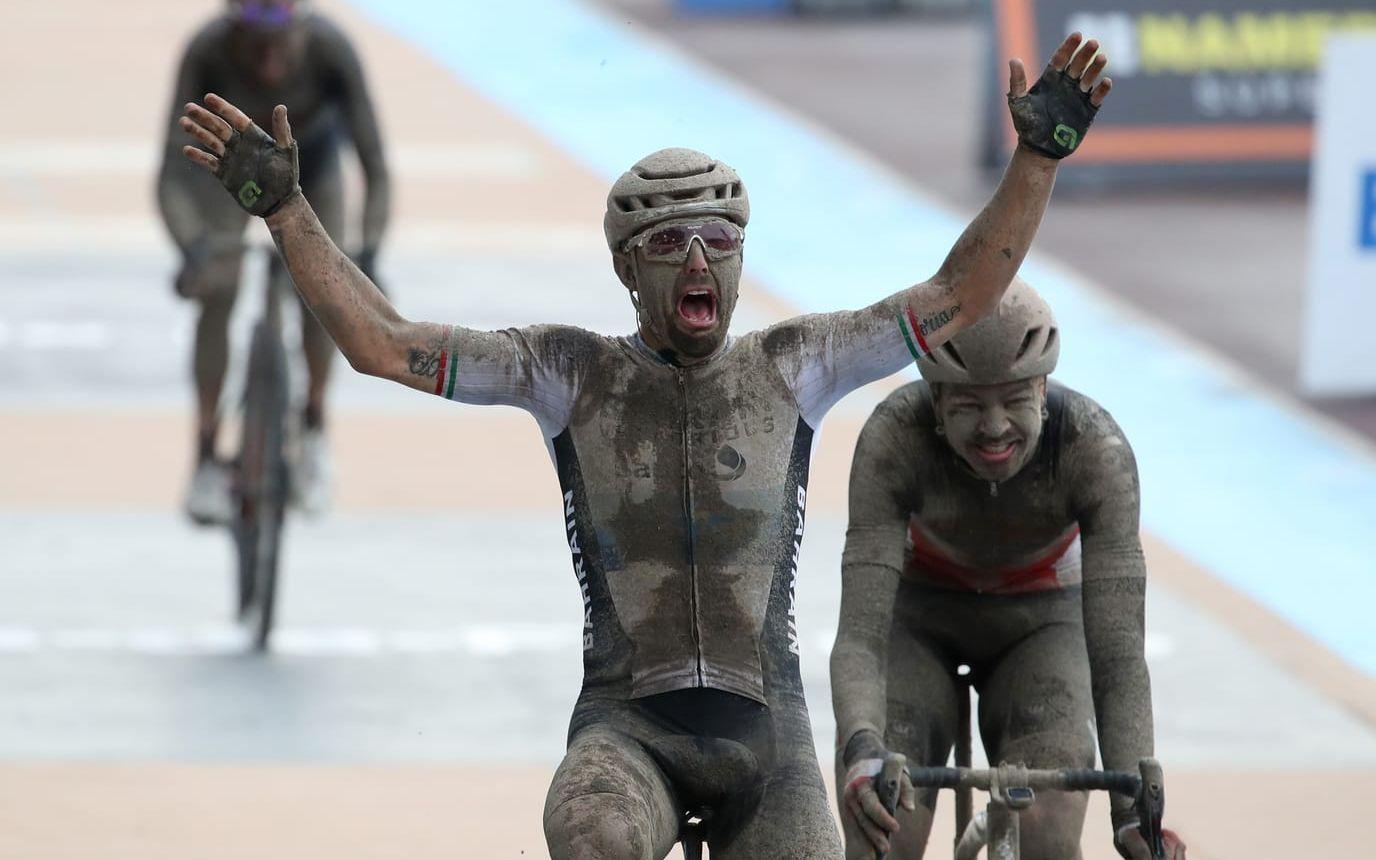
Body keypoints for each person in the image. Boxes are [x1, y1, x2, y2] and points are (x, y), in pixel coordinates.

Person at [174, 30, 1110, 859]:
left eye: (717, 240)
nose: (699, 262)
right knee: (589, 833)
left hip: (768, 742)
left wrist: (1037, 160)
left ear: (742, 259)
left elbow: (962, 292)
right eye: (670, 246)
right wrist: (289, 213)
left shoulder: (798, 364)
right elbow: (383, 344)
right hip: (629, 732)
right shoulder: (566, 372)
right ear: (627, 268)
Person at [830, 280, 1188, 860]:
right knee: (882, 828)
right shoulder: (892, 438)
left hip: (1041, 626)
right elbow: (861, 640)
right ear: (937, 406)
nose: (995, 427)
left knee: (1046, 830)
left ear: (1043, 391)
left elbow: (1118, 657)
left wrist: (1134, 815)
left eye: (1015, 401)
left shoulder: (1095, 449)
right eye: (969, 406)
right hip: (918, 623)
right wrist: (862, 751)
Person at [157, 0, 390, 523]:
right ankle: (206, 451)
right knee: (218, 287)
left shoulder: (331, 49)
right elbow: (169, 173)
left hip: (315, 171)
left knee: (327, 295)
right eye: (253, 50)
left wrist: (369, 250)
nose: (266, 65)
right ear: (231, 34)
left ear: (302, 37)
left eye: (278, 49)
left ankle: (313, 423)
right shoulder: (207, 49)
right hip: (230, 172)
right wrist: (193, 247)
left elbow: (375, 167)